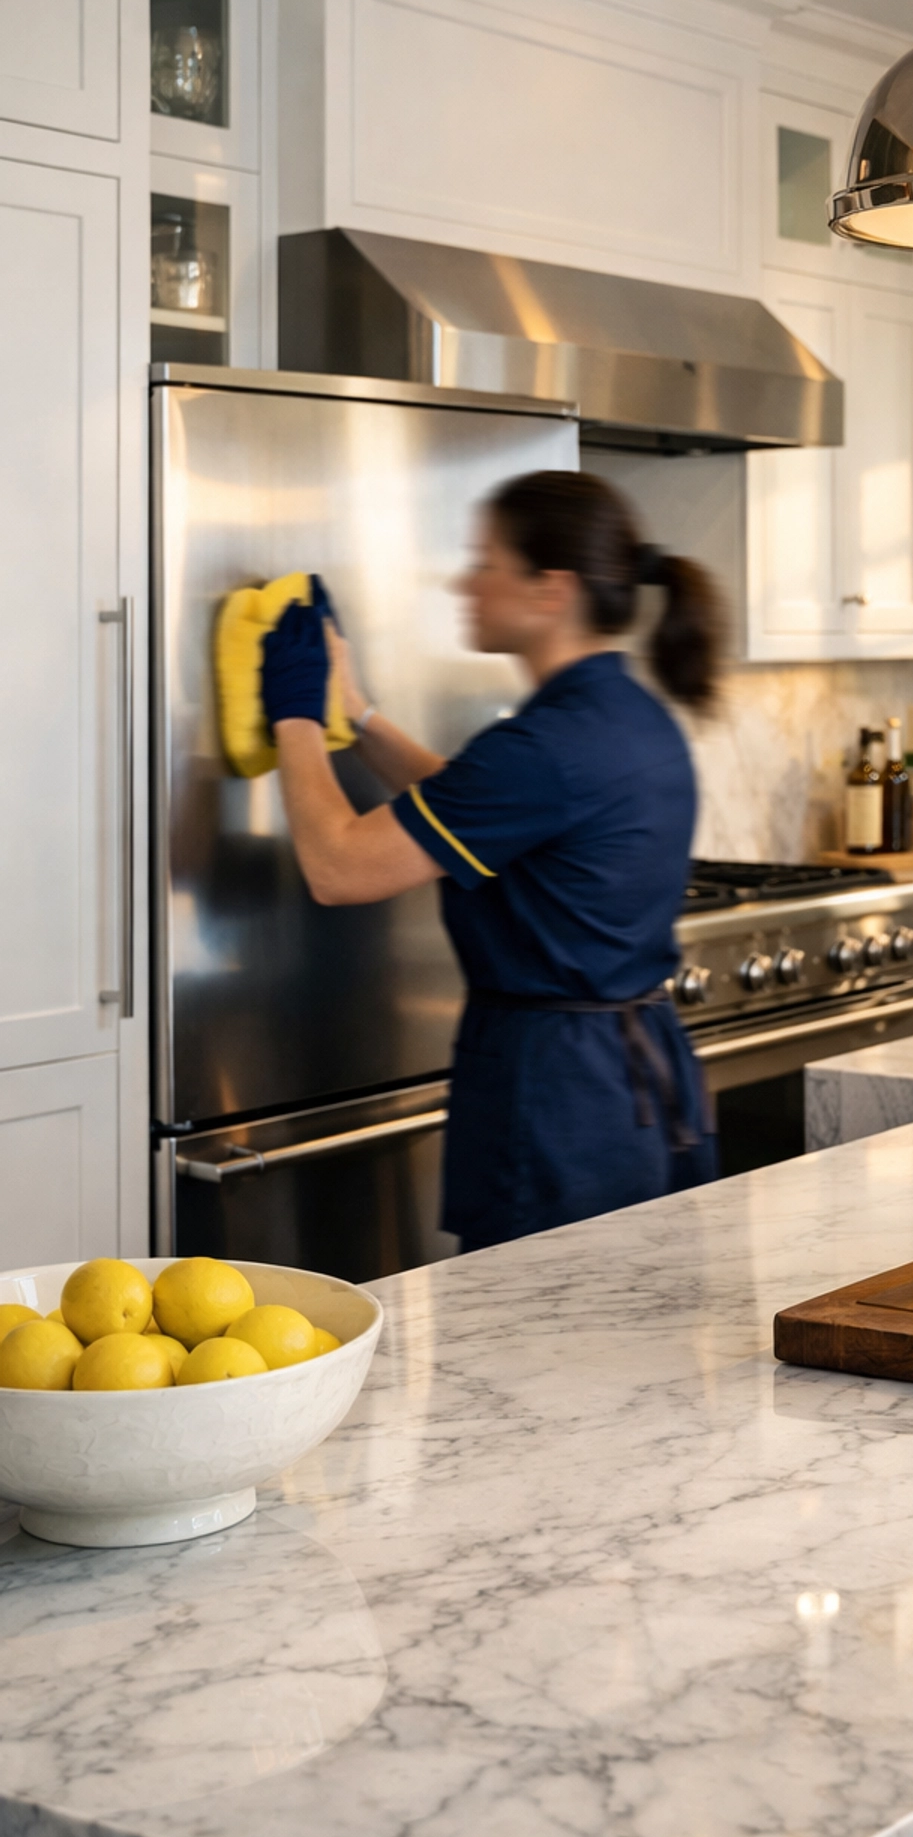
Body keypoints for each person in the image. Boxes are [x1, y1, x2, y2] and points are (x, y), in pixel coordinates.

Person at [259, 469, 722, 1252]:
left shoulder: (545, 746)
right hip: (629, 1087)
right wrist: (359, 714)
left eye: (485, 561)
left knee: (534, 1355)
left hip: (556, 1103)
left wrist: (296, 717)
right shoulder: (629, 716)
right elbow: (478, 806)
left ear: (551, 590)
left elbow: (337, 868)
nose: (464, 581)